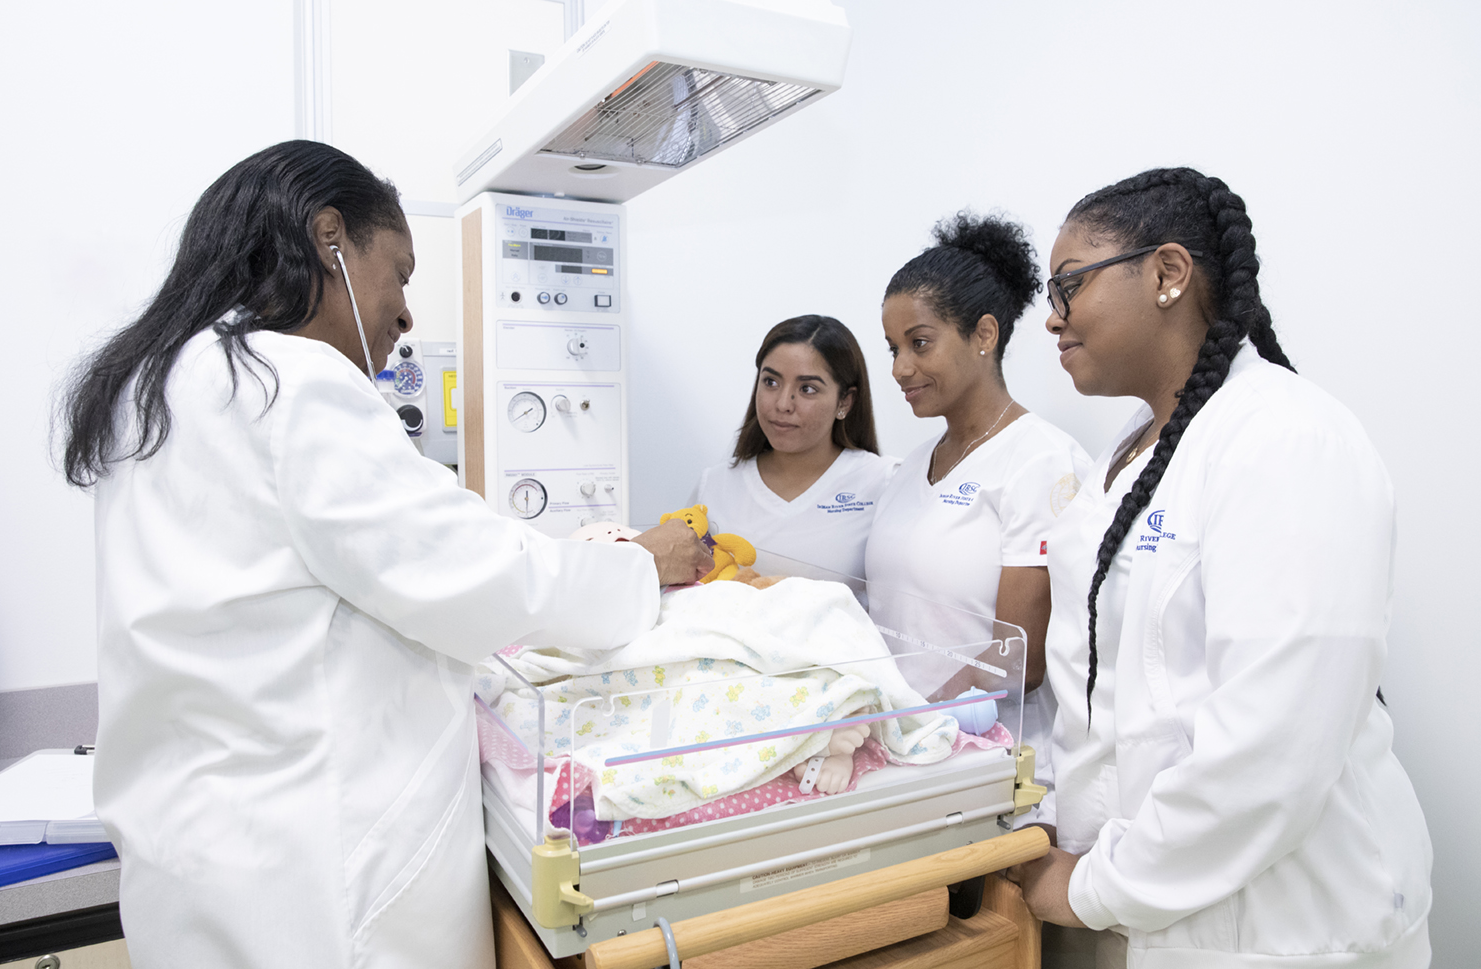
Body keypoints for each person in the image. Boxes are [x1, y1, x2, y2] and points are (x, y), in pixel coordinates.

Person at [58, 141, 711, 969]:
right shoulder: (288, 384)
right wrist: (643, 561)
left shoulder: (155, 388)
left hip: (196, 862)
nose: (406, 313)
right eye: (400, 272)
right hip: (315, 886)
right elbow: (484, 575)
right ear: (329, 236)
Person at [1011, 167, 1432, 967]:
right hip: (1137, 901)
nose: (1052, 317)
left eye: (1069, 286)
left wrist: (1095, 887)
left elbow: (1271, 746)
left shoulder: (1286, 438)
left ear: (1168, 273)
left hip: (1282, 928)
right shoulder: (1134, 452)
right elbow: (1107, 697)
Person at [864, 212, 1090, 831]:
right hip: (904, 763)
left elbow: (1022, 658)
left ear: (984, 334)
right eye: (892, 349)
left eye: (920, 342)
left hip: (993, 773)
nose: (899, 369)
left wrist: (908, 724)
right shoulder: (908, 471)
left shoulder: (1041, 463)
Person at [689, 315, 897, 578]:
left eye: (807, 389)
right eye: (771, 382)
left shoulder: (884, 482)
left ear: (845, 401)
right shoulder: (715, 485)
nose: (783, 404)